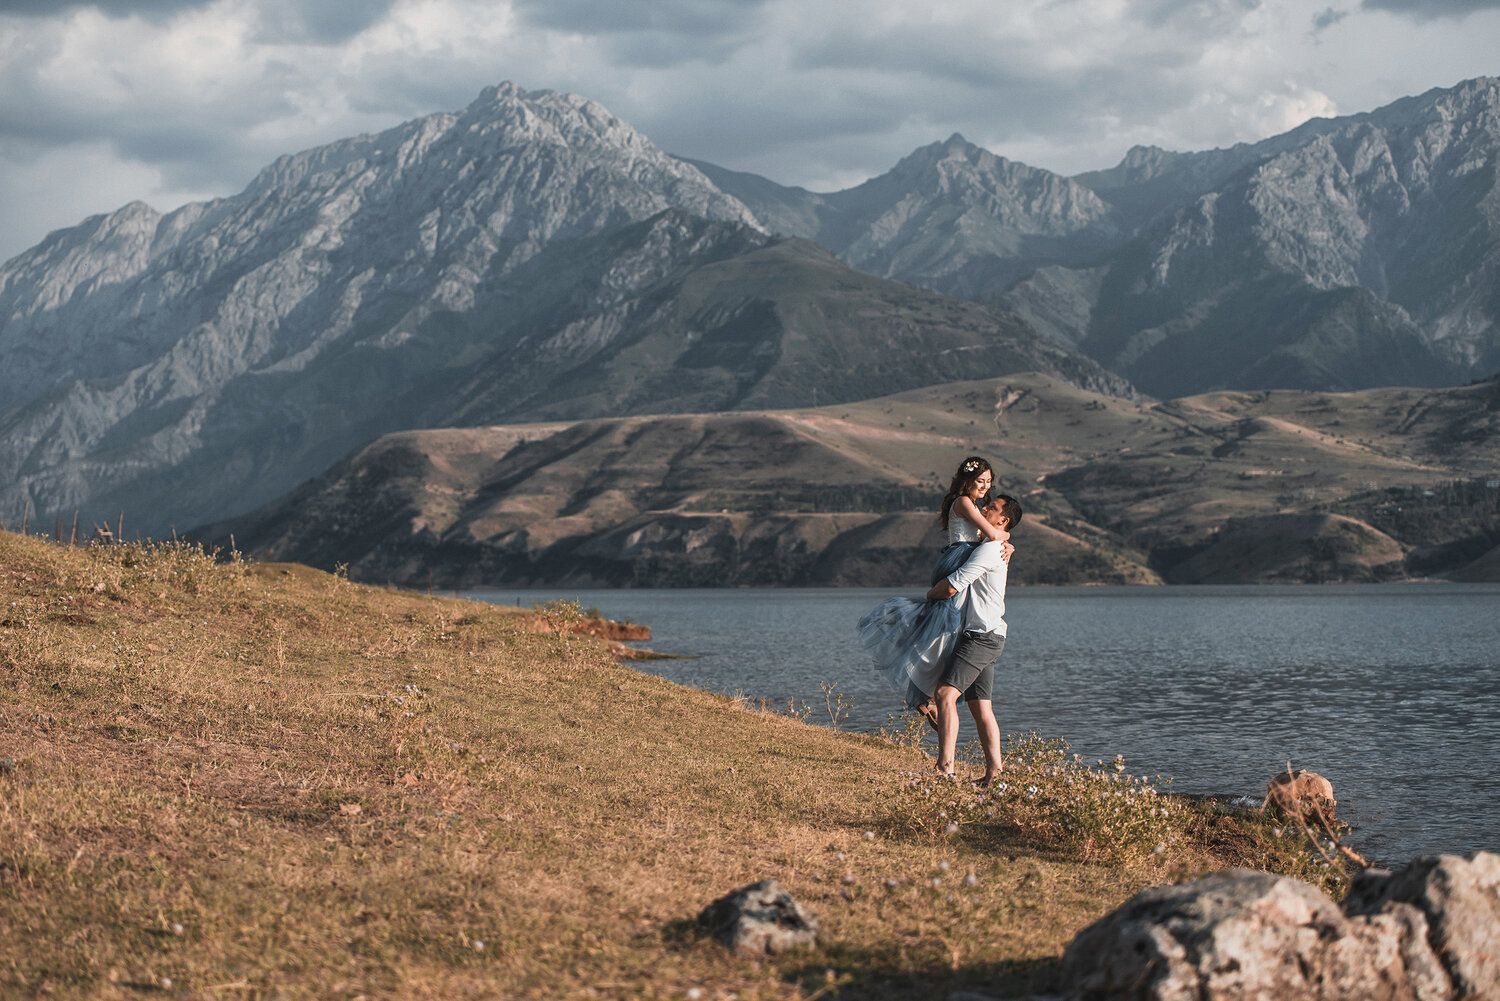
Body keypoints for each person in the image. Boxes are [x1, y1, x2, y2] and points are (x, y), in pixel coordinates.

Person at [856, 457, 1013, 723]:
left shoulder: (973, 505)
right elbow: (994, 533)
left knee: (946, 627)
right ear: (967, 480)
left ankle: (929, 695)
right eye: (980, 481)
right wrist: (1008, 540)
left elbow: (990, 535)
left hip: (962, 558)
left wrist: (1004, 540)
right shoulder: (963, 502)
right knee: (945, 627)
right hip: (958, 559)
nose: (985, 486)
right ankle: (926, 695)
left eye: (988, 482)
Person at [925, 493, 1023, 785]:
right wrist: (1007, 540)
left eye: (991, 508)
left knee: (945, 695)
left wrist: (928, 596)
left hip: (980, 637)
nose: (983, 508)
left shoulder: (990, 550)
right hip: (990, 634)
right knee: (981, 707)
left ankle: (944, 770)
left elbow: (953, 586)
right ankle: (994, 774)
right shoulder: (993, 545)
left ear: (1003, 519)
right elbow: (997, 538)